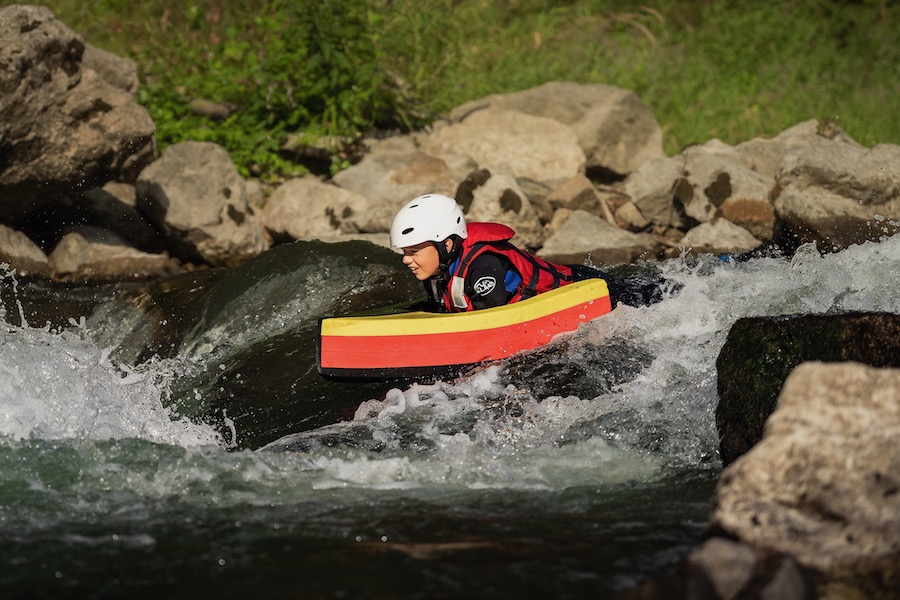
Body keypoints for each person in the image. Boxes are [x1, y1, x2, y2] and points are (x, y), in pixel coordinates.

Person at [389, 193, 668, 312]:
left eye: (414, 251)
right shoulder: (437, 269)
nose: (405, 259)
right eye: (405, 251)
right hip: (575, 280)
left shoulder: (482, 267)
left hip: (588, 286)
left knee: (661, 297)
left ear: (447, 245)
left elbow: (491, 323)